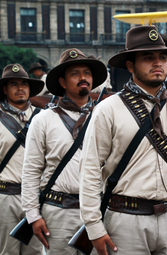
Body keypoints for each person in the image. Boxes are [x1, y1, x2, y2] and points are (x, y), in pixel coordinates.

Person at [79, 25, 167, 255]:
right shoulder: (107, 109)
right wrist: (93, 226)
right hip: (125, 221)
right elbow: (89, 169)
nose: (158, 63)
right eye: (148, 58)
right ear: (130, 65)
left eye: (162, 57)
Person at [21, 48, 107, 254]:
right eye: (75, 74)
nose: (83, 78)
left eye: (87, 73)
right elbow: (31, 171)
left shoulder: (105, 117)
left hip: (98, 211)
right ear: (62, 82)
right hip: (57, 212)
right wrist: (33, 215)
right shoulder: (43, 119)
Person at [0, 63, 44, 255]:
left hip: (36, 196)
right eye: (14, 84)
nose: (20, 88)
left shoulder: (44, 118)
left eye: (24, 84)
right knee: (6, 251)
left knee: (35, 252)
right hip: (5, 197)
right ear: (5, 89)